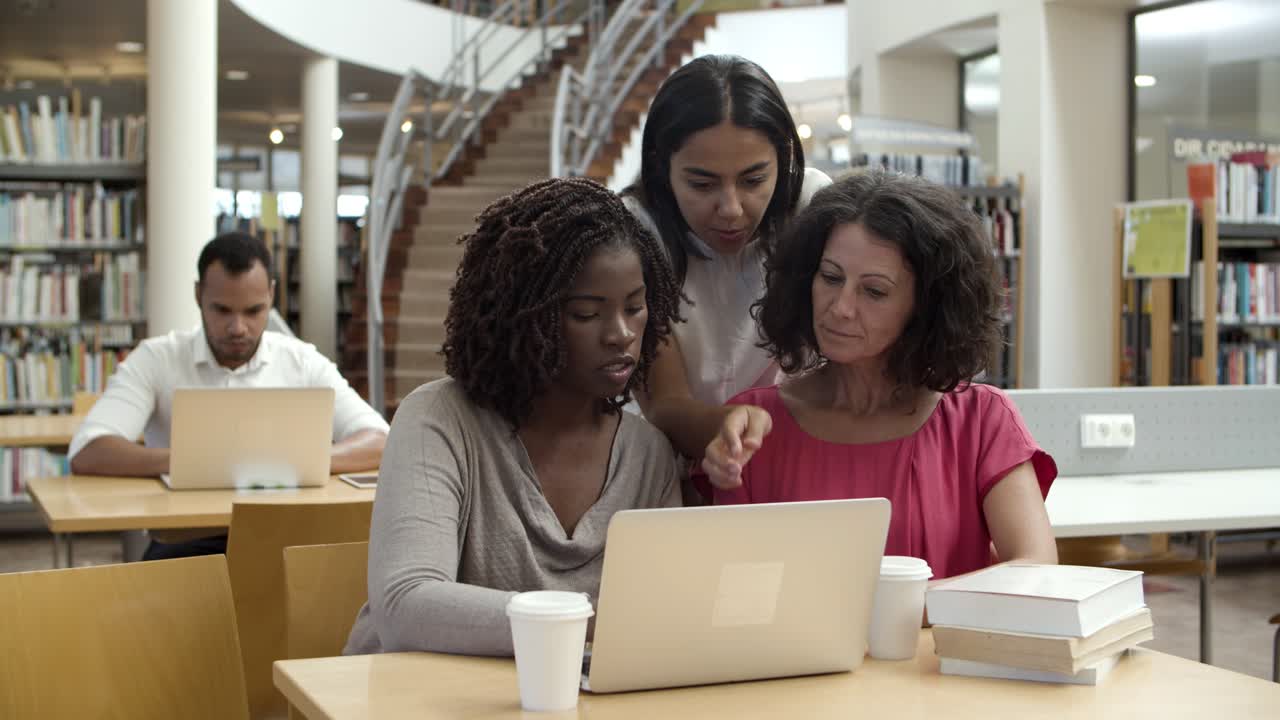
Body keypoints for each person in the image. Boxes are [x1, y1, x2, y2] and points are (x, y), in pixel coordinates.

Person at [344, 177, 684, 657]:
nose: (621, 334)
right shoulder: (440, 420)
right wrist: (587, 622)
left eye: (636, 307)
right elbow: (406, 605)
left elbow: (664, 613)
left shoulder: (648, 454)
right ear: (521, 316)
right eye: (587, 314)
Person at [703, 170, 1058, 579]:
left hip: (947, 646)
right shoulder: (754, 428)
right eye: (831, 278)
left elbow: (1038, 568)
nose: (840, 308)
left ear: (925, 307)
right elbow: (735, 590)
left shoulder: (980, 421)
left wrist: (903, 607)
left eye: (873, 291)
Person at [68, 231, 389, 560]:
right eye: (222, 311)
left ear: (272, 296)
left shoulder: (301, 361)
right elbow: (88, 451)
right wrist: (199, 463)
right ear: (198, 296)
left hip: (288, 540)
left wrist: (300, 461)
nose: (238, 327)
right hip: (188, 542)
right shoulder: (157, 359)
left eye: (253, 311)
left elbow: (381, 440)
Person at [621, 54, 830, 464]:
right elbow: (665, 403)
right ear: (663, 168)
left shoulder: (813, 208)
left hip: (797, 455)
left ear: (784, 159)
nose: (731, 209)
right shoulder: (635, 230)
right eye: (702, 183)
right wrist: (730, 430)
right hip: (672, 461)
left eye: (754, 180)